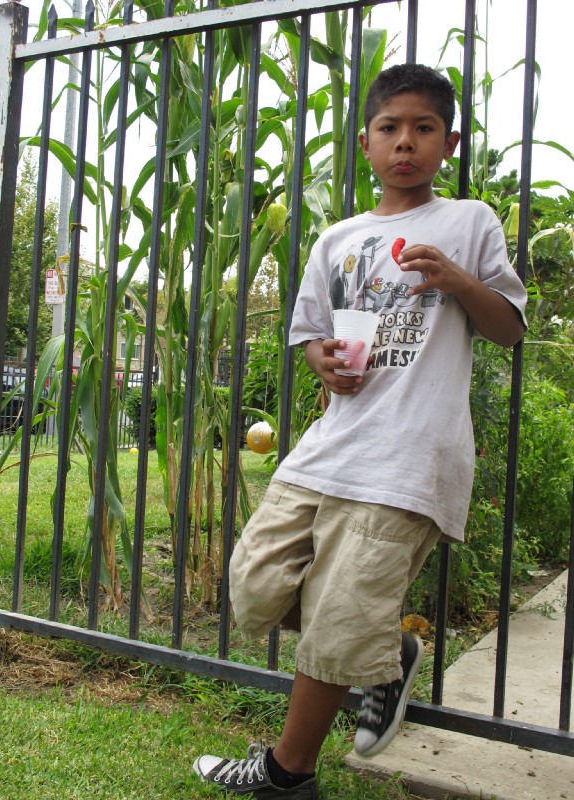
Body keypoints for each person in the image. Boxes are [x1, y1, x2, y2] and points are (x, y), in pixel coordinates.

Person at [193, 63, 528, 799]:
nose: (405, 142)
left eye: (423, 128)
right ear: (366, 143)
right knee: (253, 586)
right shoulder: (337, 238)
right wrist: (323, 364)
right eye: (389, 128)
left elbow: (506, 328)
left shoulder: (468, 223)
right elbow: (311, 333)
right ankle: (388, 653)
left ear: (449, 143)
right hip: (330, 449)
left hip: (409, 454)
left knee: (340, 619)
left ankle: (287, 775)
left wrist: (458, 282)